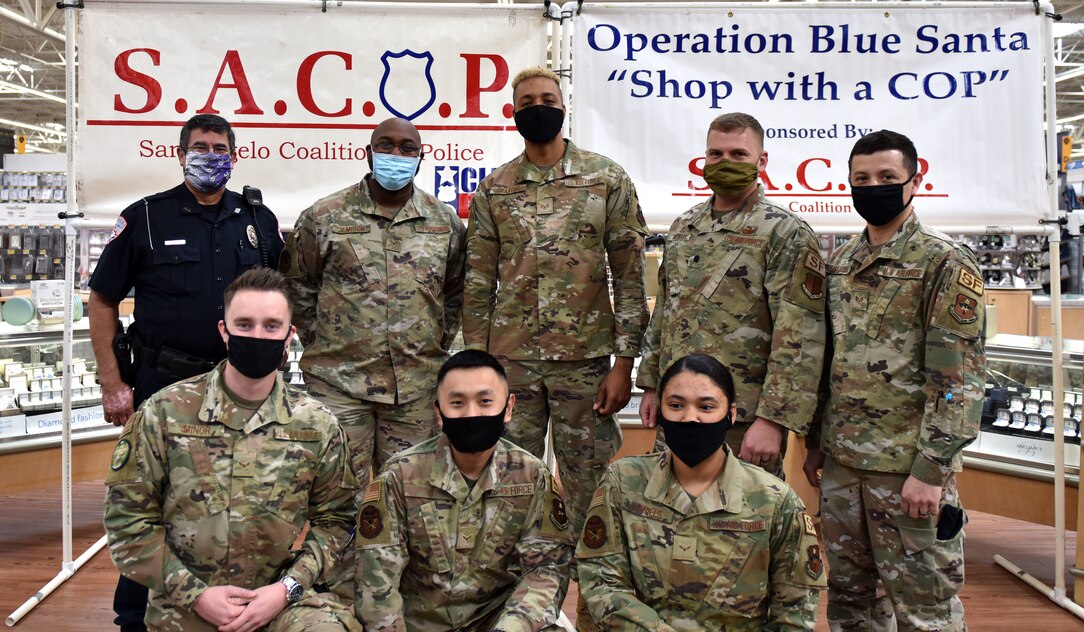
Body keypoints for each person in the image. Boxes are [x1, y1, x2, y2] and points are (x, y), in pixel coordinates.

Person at [103, 268, 361, 632]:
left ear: (289, 336)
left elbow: (337, 522)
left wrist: (287, 588)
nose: (257, 336)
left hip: (280, 600)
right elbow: (128, 524)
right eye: (244, 325)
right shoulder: (164, 413)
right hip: (191, 607)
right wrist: (195, 594)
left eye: (271, 327)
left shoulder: (316, 425)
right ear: (224, 331)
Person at [88, 113, 284, 632]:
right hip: (162, 388)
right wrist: (110, 382)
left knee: (241, 506)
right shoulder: (146, 218)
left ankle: (239, 623)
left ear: (234, 156)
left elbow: (276, 305)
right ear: (180, 154)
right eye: (200, 147)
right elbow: (101, 302)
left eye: (220, 148)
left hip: (240, 389)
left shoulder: (258, 221)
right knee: (150, 503)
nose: (210, 155)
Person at [799, 130, 983, 632]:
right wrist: (817, 443)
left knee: (924, 598)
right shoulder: (844, 262)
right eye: (862, 179)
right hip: (846, 462)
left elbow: (957, 379)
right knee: (854, 589)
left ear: (915, 178)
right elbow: (831, 362)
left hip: (908, 468)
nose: (872, 189)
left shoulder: (943, 264)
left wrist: (931, 470)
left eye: (885, 178)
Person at [577, 354, 825, 632]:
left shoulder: (776, 502)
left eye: (706, 406)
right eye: (676, 405)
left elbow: (793, 622)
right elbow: (601, 587)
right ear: (658, 412)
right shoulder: (623, 482)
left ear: (731, 414)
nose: (690, 418)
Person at [463, 66, 648, 539]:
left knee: (592, 491)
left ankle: (594, 596)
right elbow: (478, 282)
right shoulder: (495, 188)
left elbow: (629, 275)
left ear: (563, 107)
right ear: (512, 113)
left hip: (585, 365)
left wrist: (624, 364)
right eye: (526, 103)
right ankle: (514, 597)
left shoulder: (605, 179)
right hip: (511, 363)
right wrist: (479, 365)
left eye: (547, 99)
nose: (538, 108)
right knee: (507, 486)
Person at [356, 349, 576, 632]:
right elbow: (377, 589)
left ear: (508, 408)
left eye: (485, 401)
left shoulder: (532, 477)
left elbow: (547, 573)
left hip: (497, 623)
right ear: (438, 413)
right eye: (457, 403)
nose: (472, 413)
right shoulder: (399, 477)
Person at [281, 117, 467, 488]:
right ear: (368, 154)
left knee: (412, 491)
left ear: (420, 157)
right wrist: (324, 341)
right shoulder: (325, 216)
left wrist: (434, 344)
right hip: (340, 385)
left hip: (415, 389)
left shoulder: (444, 222)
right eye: (385, 145)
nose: (395, 154)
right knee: (337, 493)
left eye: (406, 148)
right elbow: (297, 284)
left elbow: (455, 292)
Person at [637, 113, 825, 476]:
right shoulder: (686, 225)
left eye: (738, 154)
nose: (725, 163)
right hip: (677, 408)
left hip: (743, 418)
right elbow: (666, 313)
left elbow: (800, 337)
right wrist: (650, 386)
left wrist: (774, 420)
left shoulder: (785, 233)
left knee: (743, 522)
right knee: (670, 514)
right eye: (716, 155)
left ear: (762, 160)